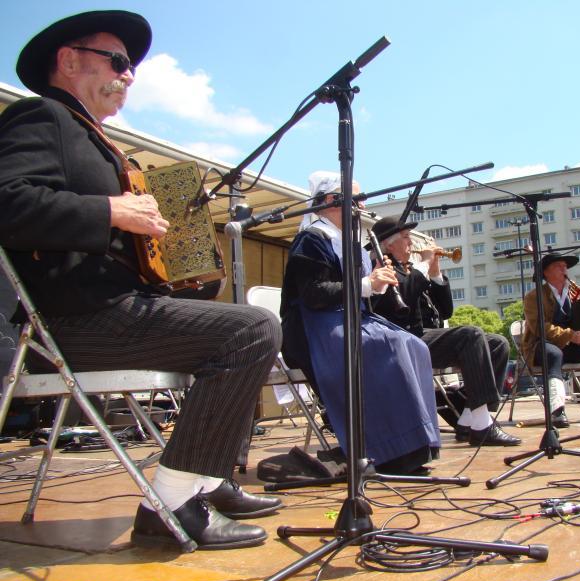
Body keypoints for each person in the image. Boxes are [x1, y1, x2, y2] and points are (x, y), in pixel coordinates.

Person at [0, 10, 284, 550]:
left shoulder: (102, 143)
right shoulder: (43, 117)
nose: (129, 74)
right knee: (251, 330)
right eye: (118, 61)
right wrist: (111, 210)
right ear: (68, 59)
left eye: (131, 67)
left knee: (242, 322)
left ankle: (208, 477)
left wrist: (183, 267)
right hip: (72, 321)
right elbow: (7, 201)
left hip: (117, 308)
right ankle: (171, 504)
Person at [280, 172, 440, 475]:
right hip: (314, 328)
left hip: (347, 321)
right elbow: (314, 295)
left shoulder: (350, 241)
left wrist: (378, 286)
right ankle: (387, 451)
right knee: (387, 346)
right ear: (330, 201)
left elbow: (364, 298)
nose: (363, 203)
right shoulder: (311, 239)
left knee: (413, 344)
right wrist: (367, 283)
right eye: (356, 198)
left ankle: (413, 446)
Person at [371, 217, 521, 447]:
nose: (411, 242)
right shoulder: (382, 266)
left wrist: (435, 271)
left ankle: (469, 419)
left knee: (498, 343)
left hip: (423, 334)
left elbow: (446, 310)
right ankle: (482, 427)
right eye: (405, 237)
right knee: (470, 335)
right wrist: (424, 264)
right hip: (402, 338)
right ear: (389, 245)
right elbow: (405, 294)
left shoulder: (409, 269)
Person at [521, 253, 580, 428]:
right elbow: (539, 327)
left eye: (565, 265)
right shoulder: (534, 297)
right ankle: (556, 408)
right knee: (554, 354)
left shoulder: (576, 291)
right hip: (543, 347)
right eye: (558, 265)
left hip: (575, 347)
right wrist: (571, 335)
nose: (564, 268)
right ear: (546, 272)